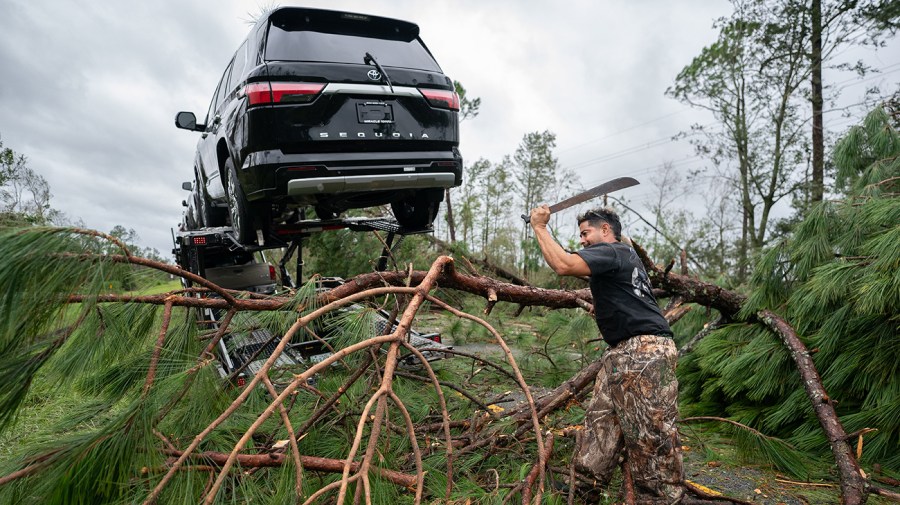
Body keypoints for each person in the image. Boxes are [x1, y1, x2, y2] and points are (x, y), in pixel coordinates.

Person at [529, 204, 684, 503]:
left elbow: (563, 264)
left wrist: (539, 226)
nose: (582, 240)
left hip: (643, 353)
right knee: (600, 423)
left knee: (651, 436)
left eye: (585, 233)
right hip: (624, 353)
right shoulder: (622, 254)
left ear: (605, 231)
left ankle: (660, 499)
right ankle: (583, 491)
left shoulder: (612, 251)